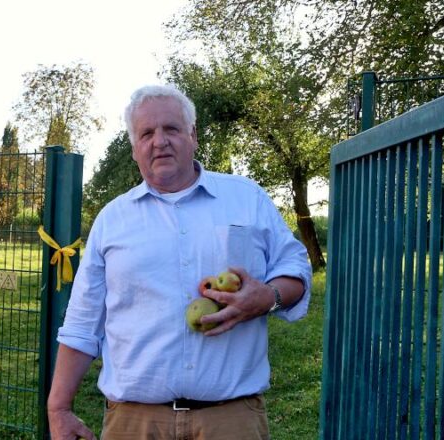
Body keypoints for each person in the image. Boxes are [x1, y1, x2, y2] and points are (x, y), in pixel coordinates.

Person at [47, 84, 312, 440]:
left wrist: (267, 297)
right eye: (146, 133)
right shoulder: (113, 220)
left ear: (193, 135)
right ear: (134, 148)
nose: (160, 141)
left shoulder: (246, 198)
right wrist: (59, 408)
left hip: (231, 420)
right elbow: (82, 322)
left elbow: (294, 269)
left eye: (171, 128)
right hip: (134, 424)